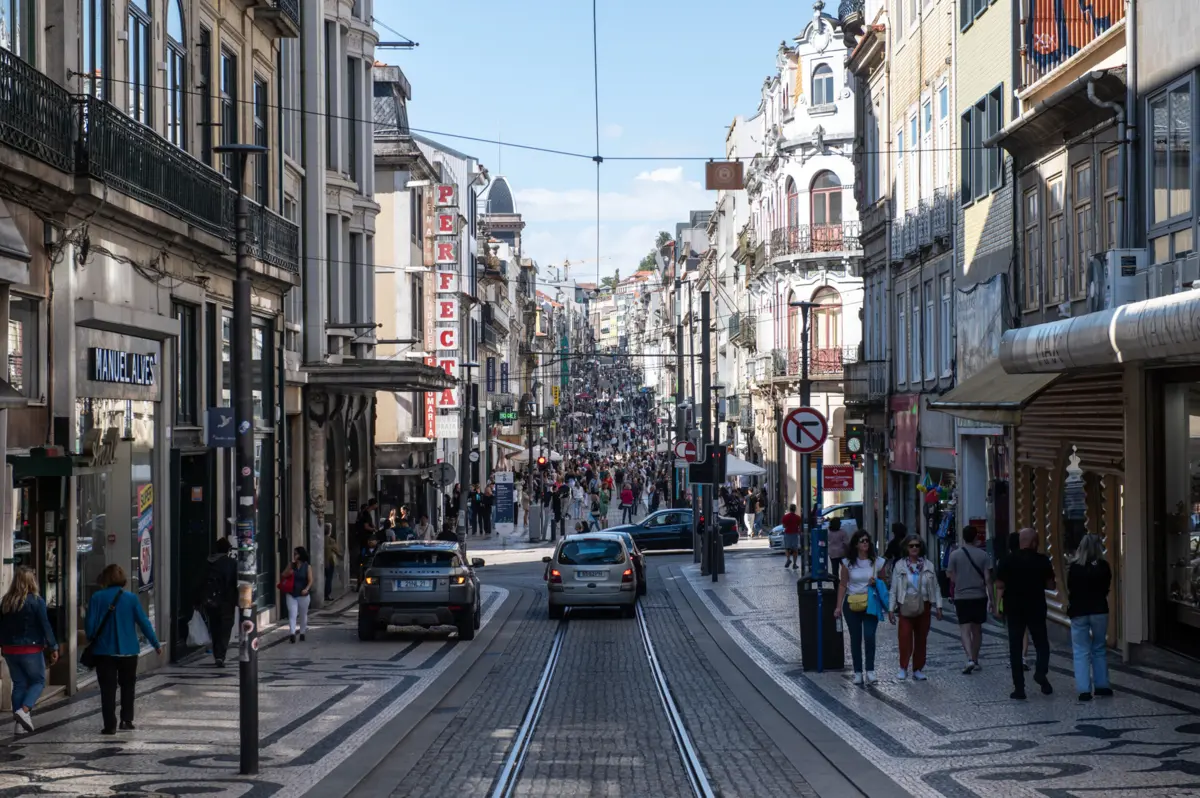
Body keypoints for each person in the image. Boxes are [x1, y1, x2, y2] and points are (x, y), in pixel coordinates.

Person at [85, 564, 162, 734]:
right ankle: (126, 720)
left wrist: (92, 636)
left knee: (107, 689)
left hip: (104, 651)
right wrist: (155, 643)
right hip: (128, 651)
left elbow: (90, 627)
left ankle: (109, 724)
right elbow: (144, 622)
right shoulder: (131, 598)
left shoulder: (97, 597)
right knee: (128, 686)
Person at [995, 527, 1055, 700]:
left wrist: (997, 605)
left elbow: (999, 584)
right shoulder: (1042, 560)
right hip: (1036, 607)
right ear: (1034, 542)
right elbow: (1051, 586)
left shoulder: (1007, 560)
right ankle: (1041, 672)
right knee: (1041, 643)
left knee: (1015, 648)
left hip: (1013, 608)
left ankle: (1019, 688)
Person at [0, 567, 58, 733]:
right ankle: (24, 711)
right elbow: (45, 625)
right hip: (30, 649)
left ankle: (19, 726)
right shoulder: (36, 600)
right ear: (31, 581)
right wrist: (53, 646)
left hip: (10, 649)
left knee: (19, 684)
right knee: (38, 681)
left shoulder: (6, 601)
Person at [834, 531, 887, 685]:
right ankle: (858, 672)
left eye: (867, 541)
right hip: (852, 603)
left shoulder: (877, 562)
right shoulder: (847, 563)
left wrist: (876, 583)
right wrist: (838, 606)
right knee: (855, 638)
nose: (865, 543)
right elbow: (843, 584)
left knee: (869, 636)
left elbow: (884, 582)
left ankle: (870, 670)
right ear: (856, 544)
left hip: (871, 602)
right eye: (862, 541)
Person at [887, 535, 943, 680]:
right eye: (911, 545)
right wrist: (891, 609)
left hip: (924, 604)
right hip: (905, 604)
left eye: (917, 545)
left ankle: (918, 668)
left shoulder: (928, 565)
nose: (914, 548)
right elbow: (893, 588)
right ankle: (903, 667)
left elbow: (935, 586)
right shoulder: (900, 566)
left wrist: (939, 605)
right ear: (906, 547)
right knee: (904, 637)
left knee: (921, 638)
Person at [1068, 534, 1114, 701]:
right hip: (1099, 610)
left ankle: (1084, 689)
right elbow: (1106, 587)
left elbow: (1070, 589)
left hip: (1079, 611)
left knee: (1081, 650)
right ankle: (1102, 685)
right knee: (1099, 647)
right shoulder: (1104, 566)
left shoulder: (1074, 567)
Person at [946, 525, 992, 674]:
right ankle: (976, 659)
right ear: (975, 537)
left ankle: (969, 658)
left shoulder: (954, 555)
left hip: (961, 596)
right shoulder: (983, 555)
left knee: (964, 629)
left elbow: (950, 576)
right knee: (977, 630)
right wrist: (991, 599)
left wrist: (959, 581)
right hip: (979, 596)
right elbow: (988, 579)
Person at [199, 538, 238, 667]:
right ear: (228, 550)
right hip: (227, 601)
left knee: (215, 628)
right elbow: (235, 582)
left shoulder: (208, 561)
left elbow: (201, 582)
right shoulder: (231, 563)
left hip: (211, 601)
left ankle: (217, 654)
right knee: (225, 628)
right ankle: (221, 655)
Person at [281, 546, 314, 644]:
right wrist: (288, 572)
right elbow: (283, 575)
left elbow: (311, 580)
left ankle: (302, 632)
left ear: (301, 555)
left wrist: (306, 589)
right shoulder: (291, 565)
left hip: (303, 595)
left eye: (296, 553)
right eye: (294, 553)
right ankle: (292, 633)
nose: (294, 555)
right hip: (291, 593)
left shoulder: (307, 566)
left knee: (303, 615)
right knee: (292, 614)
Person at [323, 524, 343, 602]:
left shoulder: (320, 539)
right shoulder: (331, 540)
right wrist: (340, 556)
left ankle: (325, 594)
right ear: (329, 531)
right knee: (329, 578)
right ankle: (327, 594)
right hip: (329, 561)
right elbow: (337, 551)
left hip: (323, 562)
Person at [781, 503, 802, 570]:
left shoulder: (785, 517)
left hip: (787, 533)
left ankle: (788, 559)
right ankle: (794, 564)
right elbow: (799, 526)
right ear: (795, 509)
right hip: (795, 533)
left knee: (787, 548)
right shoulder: (798, 517)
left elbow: (784, 526)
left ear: (789, 509)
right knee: (795, 549)